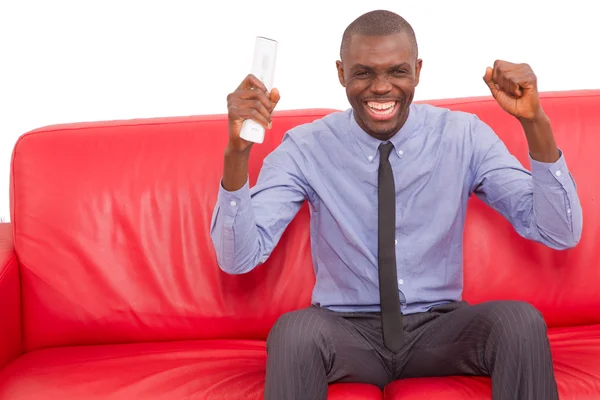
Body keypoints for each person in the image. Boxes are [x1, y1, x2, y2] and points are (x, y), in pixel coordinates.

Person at [210, 9, 582, 400]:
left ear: (418, 71)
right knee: (294, 333)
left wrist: (535, 123)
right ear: (341, 73)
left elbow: (558, 231)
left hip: (439, 328)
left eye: (397, 72)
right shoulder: (306, 147)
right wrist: (237, 152)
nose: (381, 87)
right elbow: (238, 259)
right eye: (364, 72)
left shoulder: (463, 136)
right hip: (346, 331)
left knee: (519, 321)